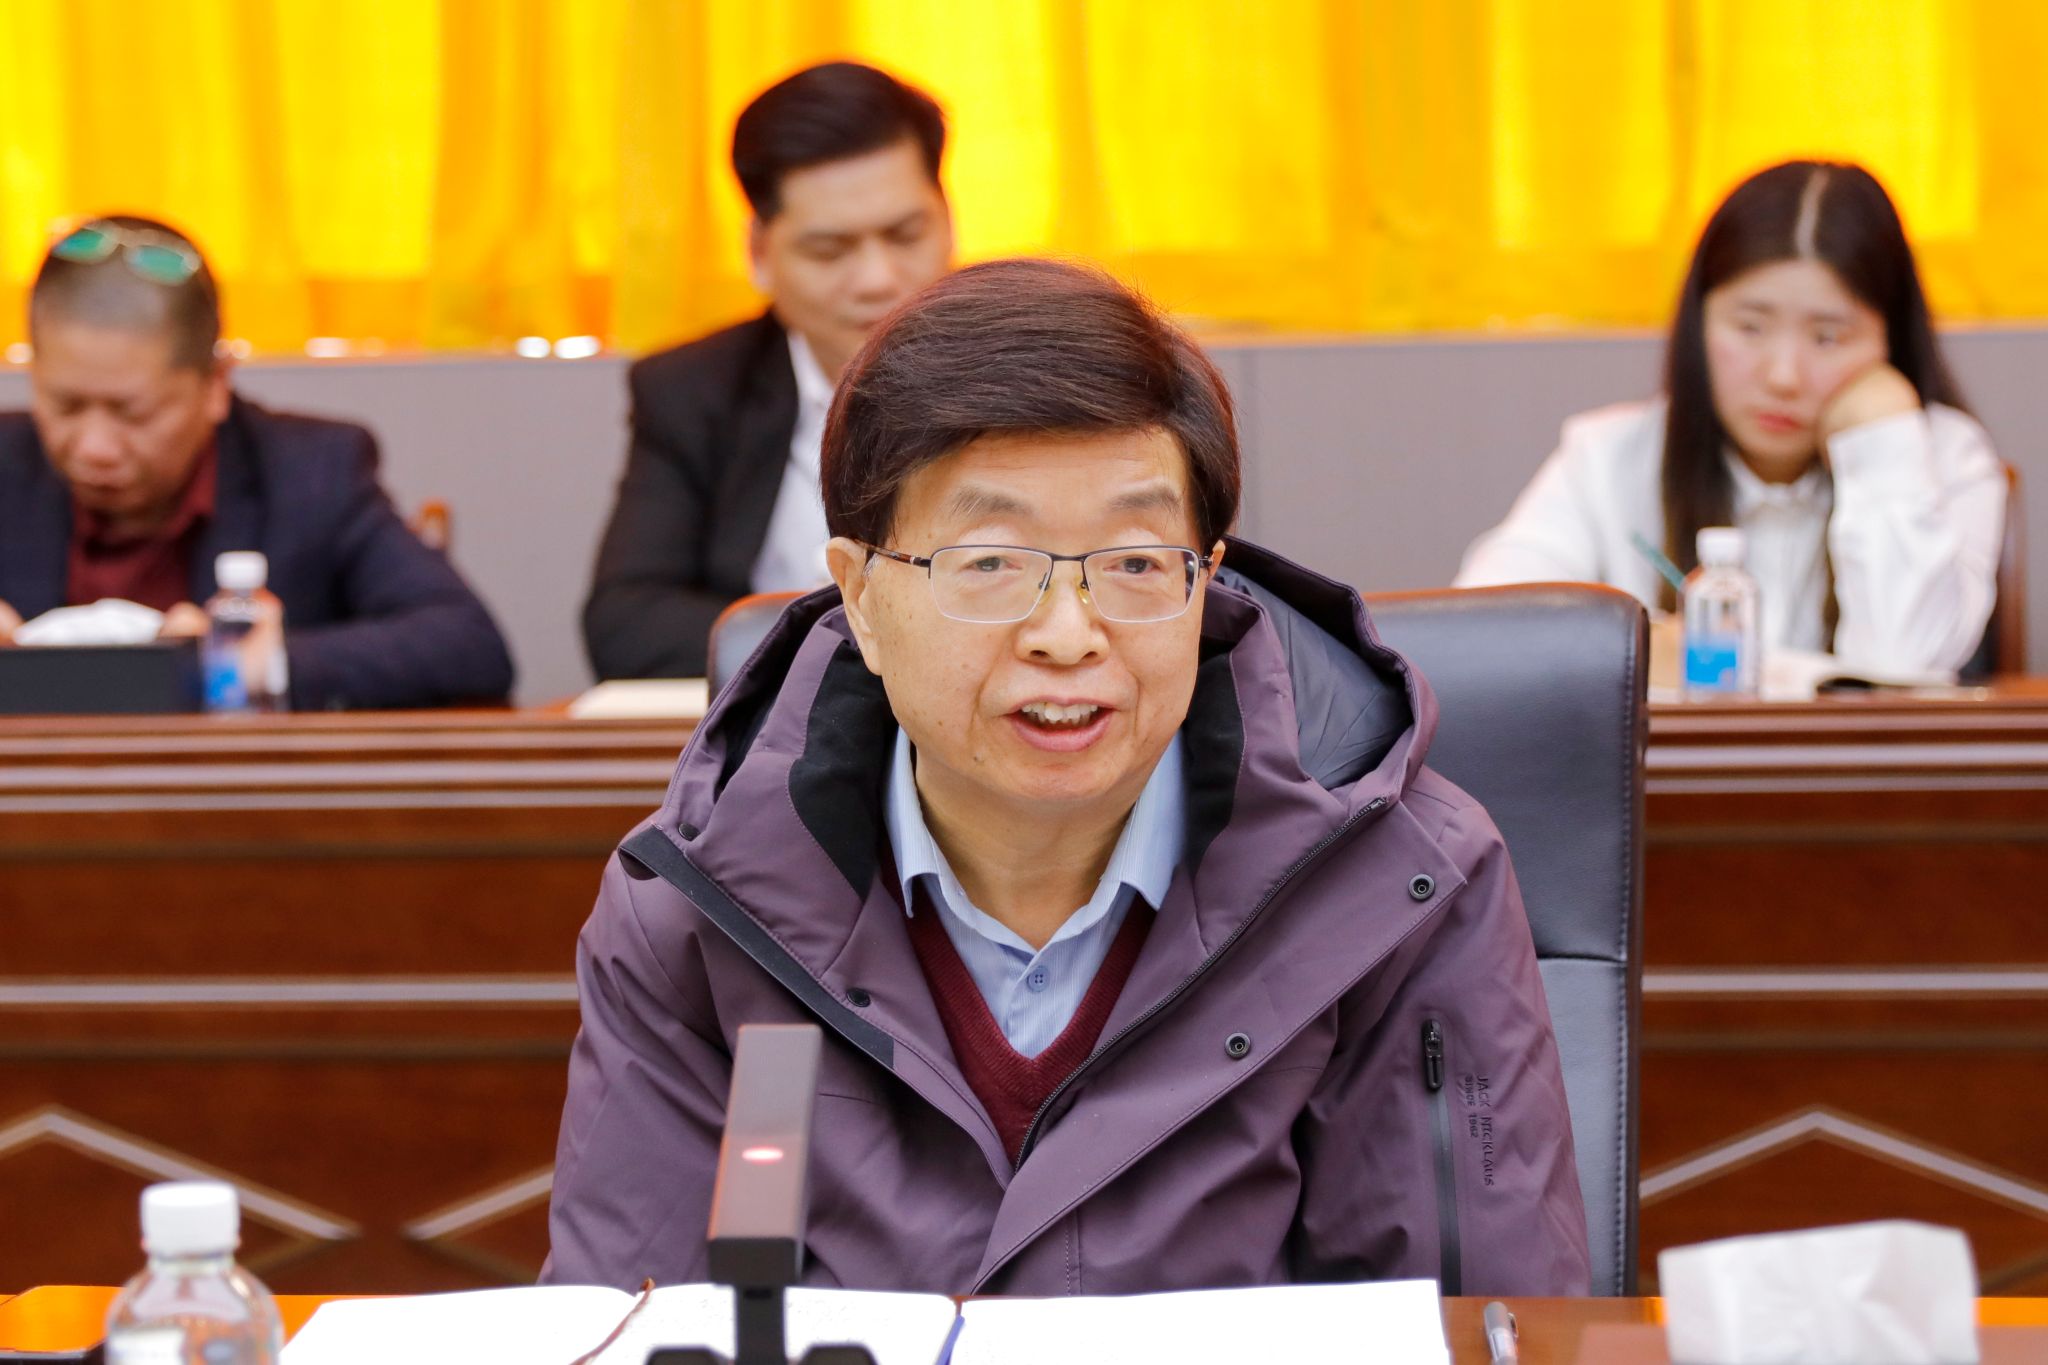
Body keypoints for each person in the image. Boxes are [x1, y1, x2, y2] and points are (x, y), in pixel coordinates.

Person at [544, 259, 1589, 1297]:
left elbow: (1485, 1330)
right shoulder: (693, 914)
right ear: (860, 596)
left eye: (1134, 563)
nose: (1066, 634)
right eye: (991, 563)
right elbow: (622, 1329)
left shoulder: (1400, 882)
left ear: (1206, 582)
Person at [1456, 160, 2005, 676]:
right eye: (1750, 327)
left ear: (1890, 339)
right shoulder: (1608, 456)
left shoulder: (1945, 457)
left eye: (1828, 337)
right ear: (1699, 323)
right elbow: (1483, 636)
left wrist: (1883, 438)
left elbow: (1903, 669)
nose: (1784, 376)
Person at [0, 215, 515, 710]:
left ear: (216, 384)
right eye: (65, 406)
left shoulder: (312, 471)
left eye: (132, 413)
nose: (95, 447)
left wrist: (262, 663)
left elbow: (466, 642)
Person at [582, 61, 954, 679]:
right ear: (758, 252)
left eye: (906, 235)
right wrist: (851, 647)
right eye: (829, 251)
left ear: (949, 220)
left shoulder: (1034, 374)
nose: (877, 279)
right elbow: (628, 623)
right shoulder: (693, 392)